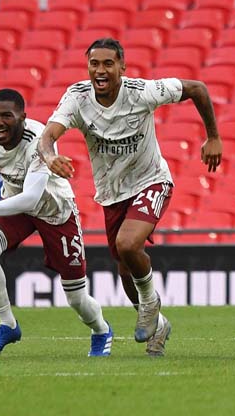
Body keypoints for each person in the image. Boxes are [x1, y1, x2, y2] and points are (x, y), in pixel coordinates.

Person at [38, 38, 222, 357]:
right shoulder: (77, 97)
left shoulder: (142, 92)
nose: (100, 70)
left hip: (152, 181)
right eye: (94, 64)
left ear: (122, 67)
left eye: (108, 63)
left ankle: (150, 305)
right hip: (112, 194)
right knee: (125, 269)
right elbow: (48, 136)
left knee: (127, 244)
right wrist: (49, 156)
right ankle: (159, 323)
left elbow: (198, 88)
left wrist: (213, 137)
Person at [0, 89, 113, 356]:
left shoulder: (40, 140)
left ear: (23, 116)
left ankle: (101, 329)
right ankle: (8, 324)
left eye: (6, 116)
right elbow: (20, 199)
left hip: (54, 210)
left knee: (76, 297)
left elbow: (31, 199)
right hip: (15, 206)